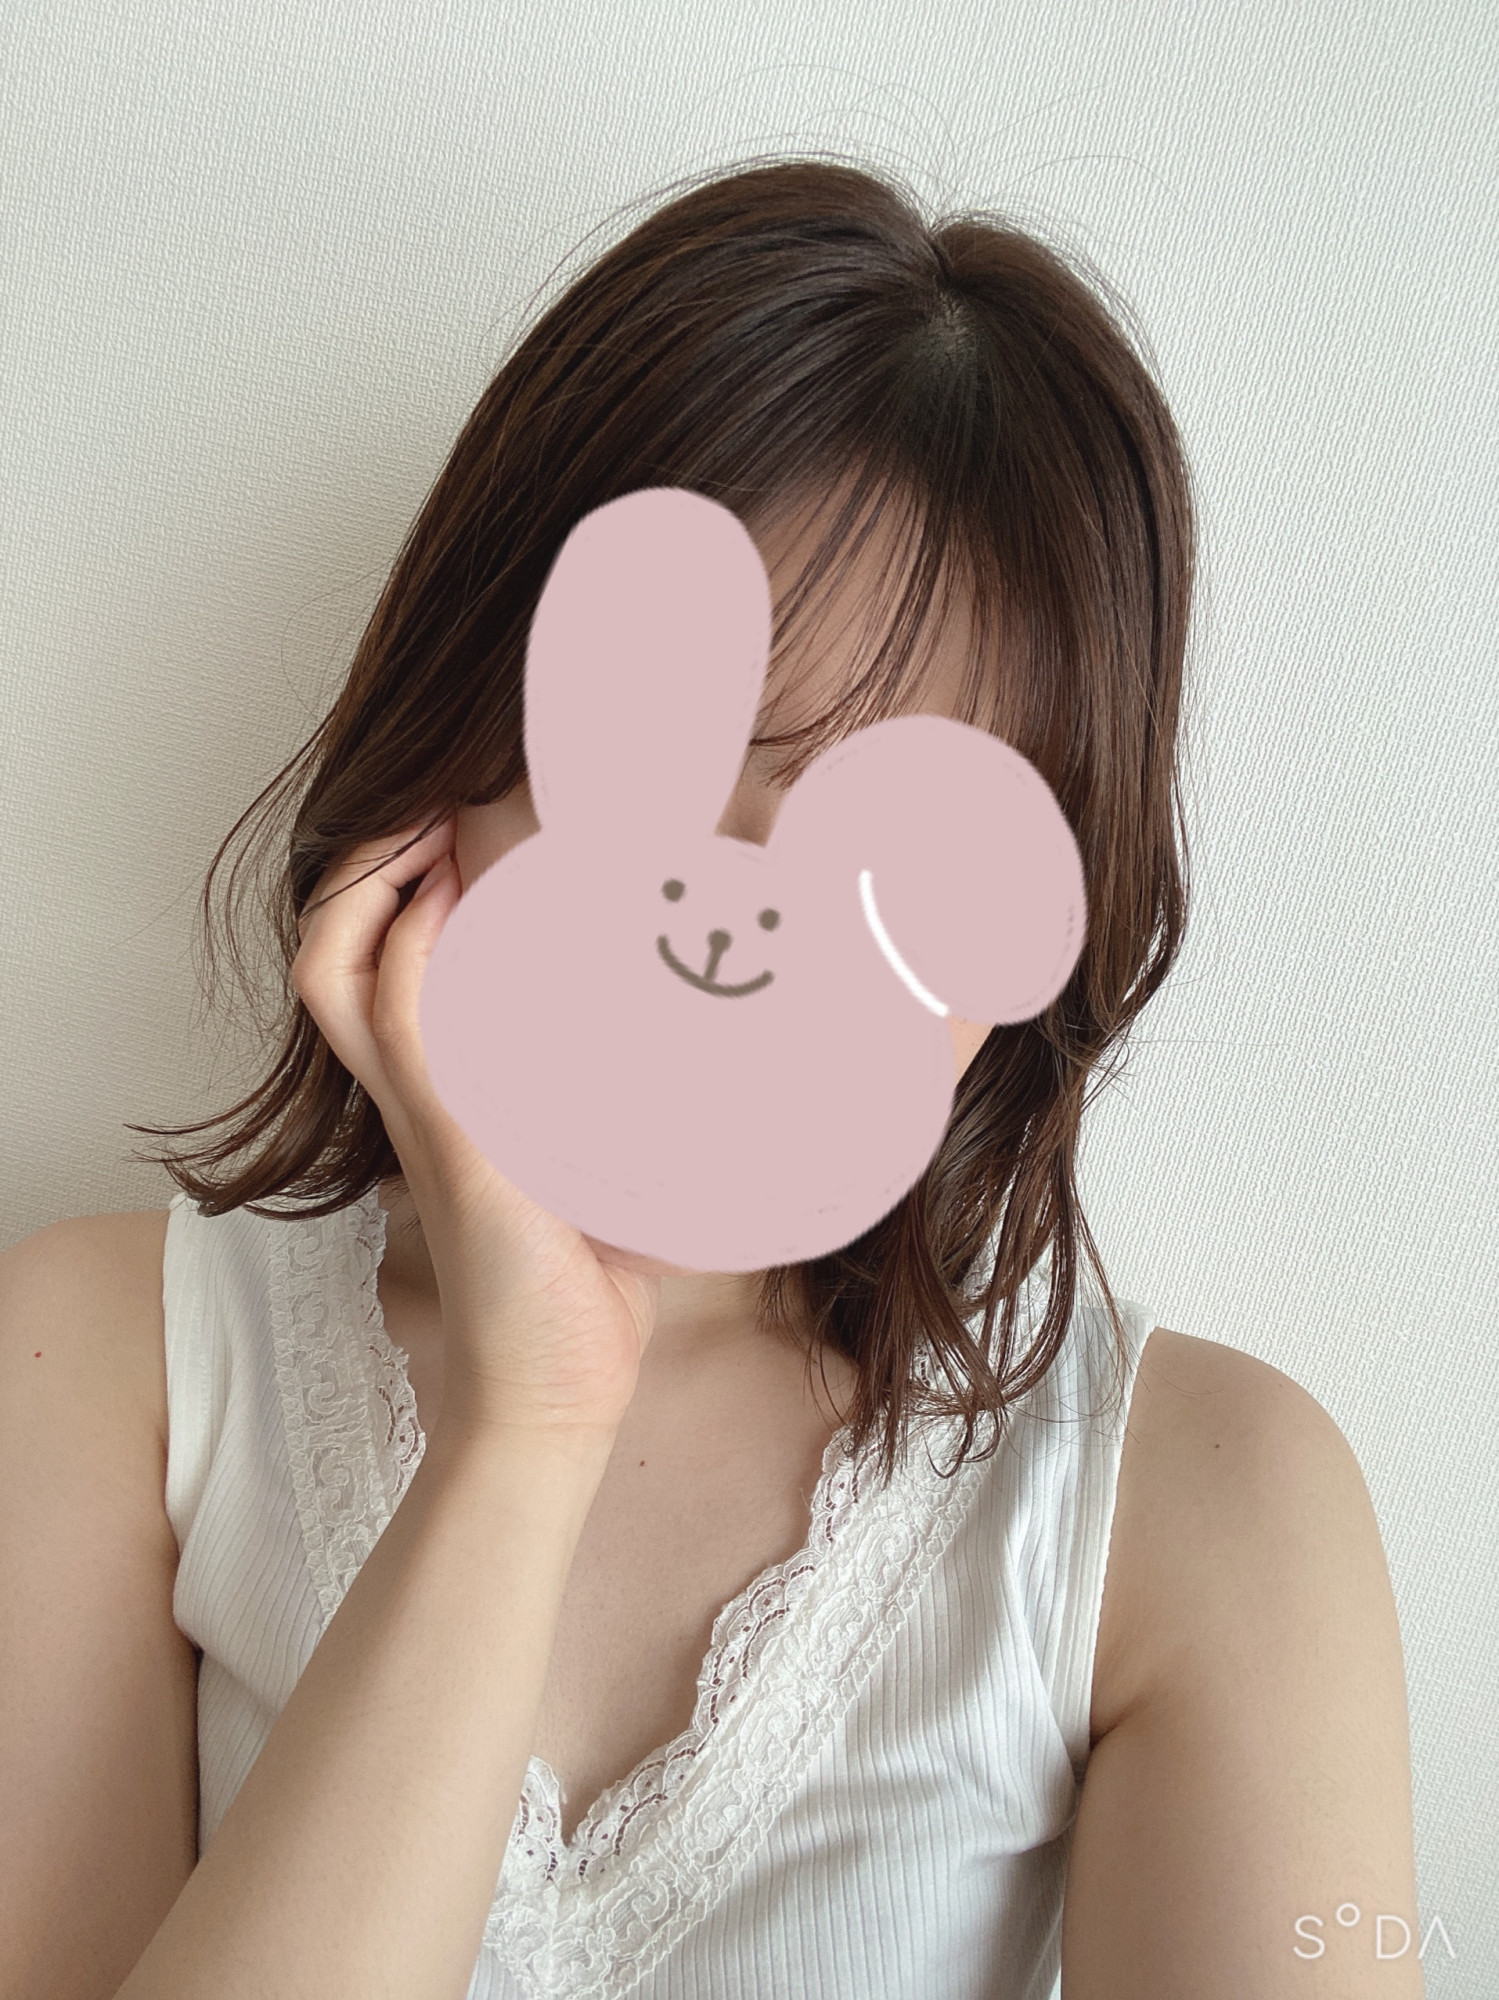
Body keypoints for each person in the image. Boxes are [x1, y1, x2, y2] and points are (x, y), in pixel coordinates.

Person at [0, 159, 1422, 2000]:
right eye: (663, 760)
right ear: (454, 748)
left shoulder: (1210, 1501)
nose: (734, 919)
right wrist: (529, 1424)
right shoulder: (104, 1368)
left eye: (893, 852)